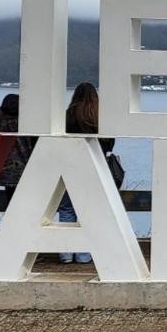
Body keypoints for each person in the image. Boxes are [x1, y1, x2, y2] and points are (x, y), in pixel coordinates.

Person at [58, 83, 116, 264]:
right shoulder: (101, 117)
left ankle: (66, 254)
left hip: (69, 165)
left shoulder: (67, 116)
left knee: (66, 208)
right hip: (94, 168)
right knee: (87, 210)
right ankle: (84, 255)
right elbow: (109, 144)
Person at [0, 94, 37, 206]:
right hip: (25, 165)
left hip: (5, 166)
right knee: (26, 201)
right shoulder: (25, 122)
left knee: (10, 201)